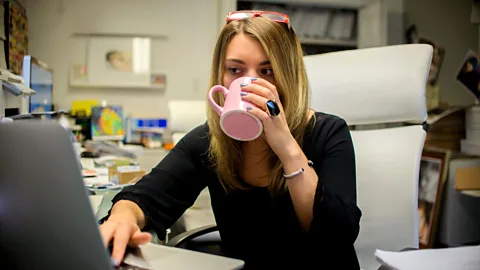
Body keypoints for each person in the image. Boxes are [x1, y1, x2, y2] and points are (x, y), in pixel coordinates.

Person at [99, 10, 362, 269]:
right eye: (235, 69)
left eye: (267, 71)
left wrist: (286, 146)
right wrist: (123, 216)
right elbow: (146, 196)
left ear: (289, 76)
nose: (250, 83)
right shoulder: (210, 141)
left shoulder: (328, 132)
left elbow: (337, 236)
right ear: (221, 78)